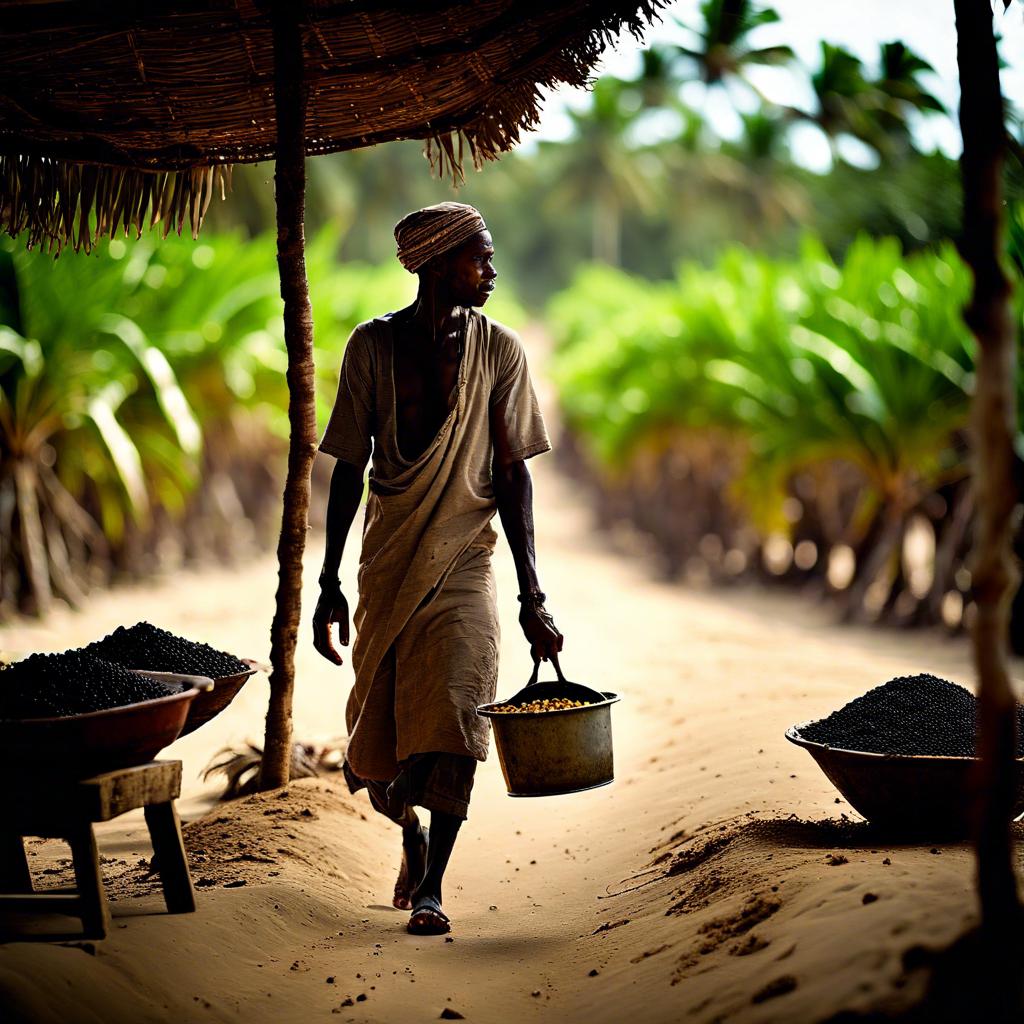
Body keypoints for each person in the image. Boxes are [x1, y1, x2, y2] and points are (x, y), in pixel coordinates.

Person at [312, 202, 563, 936]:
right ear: (434, 262)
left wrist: (532, 595)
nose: (491, 270)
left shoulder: (502, 351)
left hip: (465, 561)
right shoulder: (370, 349)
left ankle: (433, 887)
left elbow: (514, 475)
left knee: (456, 717)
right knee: (377, 752)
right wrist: (326, 578)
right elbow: (347, 468)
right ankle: (409, 832)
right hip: (388, 561)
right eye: (478, 257)